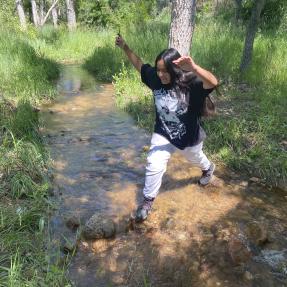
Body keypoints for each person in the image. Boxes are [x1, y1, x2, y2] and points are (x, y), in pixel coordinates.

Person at [115, 34, 218, 222]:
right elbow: (139, 65)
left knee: (195, 157)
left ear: (175, 69)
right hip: (163, 132)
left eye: (165, 71)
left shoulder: (190, 82)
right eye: (158, 70)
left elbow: (213, 82)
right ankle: (147, 202)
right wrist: (125, 47)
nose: (160, 74)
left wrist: (194, 67)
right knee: (154, 162)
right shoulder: (155, 77)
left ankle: (208, 168)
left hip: (189, 137)